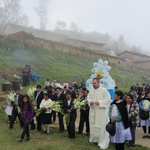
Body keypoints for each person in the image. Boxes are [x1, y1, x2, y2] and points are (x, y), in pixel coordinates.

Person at [87, 78, 112, 149]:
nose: (93, 85)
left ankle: (100, 140)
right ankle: (94, 139)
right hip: (93, 111)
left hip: (101, 112)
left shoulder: (104, 90)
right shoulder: (91, 90)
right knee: (93, 124)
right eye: (92, 83)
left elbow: (108, 100)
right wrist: (90, 101)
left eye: (94, 83)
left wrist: (100, 102)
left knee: (100, 126)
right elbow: (88, 98)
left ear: (99, 83)